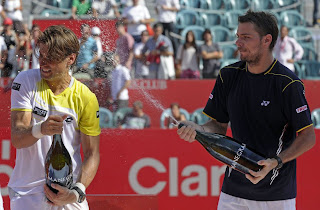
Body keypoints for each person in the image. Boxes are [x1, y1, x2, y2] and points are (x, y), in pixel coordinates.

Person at [177, 10, 315, 210]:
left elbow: (308, 136)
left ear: (266, 40)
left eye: (246, 37)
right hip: (232, 194)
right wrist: (197, 129)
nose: (238, 43)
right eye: (237, 37)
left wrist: (276, 161)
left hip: (276, 197)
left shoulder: (288, 84)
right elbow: (217, 126)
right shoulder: (228, 75)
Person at [9, 25, 101, 210]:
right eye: (41, 55)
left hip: (68, 194)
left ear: (71, 59)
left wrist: (76, 191)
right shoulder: (25, 81)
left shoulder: (86, 97)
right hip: (28, 193)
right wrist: (40, 129)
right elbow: (18, 139)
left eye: (51, 58)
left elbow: (92, 154)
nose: (43, 62)